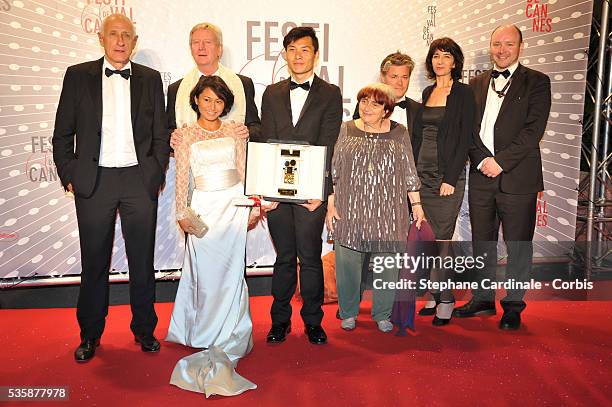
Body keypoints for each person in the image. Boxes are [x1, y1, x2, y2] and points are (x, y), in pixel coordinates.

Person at [52, 14, 169, 362]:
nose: (120, 41)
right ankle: (90, 334)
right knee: (95, 262)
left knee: (142, 260)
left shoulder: (149, 79)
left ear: (134, 41)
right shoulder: (77, 76)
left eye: (126, 36)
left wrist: (156, 172)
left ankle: (145, 330)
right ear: (101, 39)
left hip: (138, 179)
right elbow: (62, 133)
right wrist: (69, 172)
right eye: (114, 35)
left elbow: (160, 133)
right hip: (94, 180)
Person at [453, 25, 551, 330]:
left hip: (517, 178)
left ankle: (513, 305)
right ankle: (482, 297)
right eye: (497, 43)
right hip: (482, 175)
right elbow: (467, 128)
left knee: (518, 243)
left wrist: (501, 162)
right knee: (482, 241)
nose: (502, 49)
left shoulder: (537, 82)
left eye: (509, 44)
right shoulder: (476, 83)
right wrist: (482, 159)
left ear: (521, 46)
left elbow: (533, 131)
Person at [166, 76, 256, 397]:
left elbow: (244, 171)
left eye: (218, 101)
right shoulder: (185, 136)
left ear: (226, 104)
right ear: (196, 101)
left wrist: (252, 205)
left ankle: (232, 329)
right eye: (206, 100)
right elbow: (181, 179)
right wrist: (182, 213)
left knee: (232, 273)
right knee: (205, 273)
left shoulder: (236, 132)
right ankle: (204, 330)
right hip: (203, 206)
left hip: (233, 206)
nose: (212, 106)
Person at [253, 26, 343, 345]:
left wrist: (319, 193)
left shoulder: (330, 94)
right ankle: (279, 321)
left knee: (310, 256)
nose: (298, 55)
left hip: (309, 196)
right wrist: (267, 190)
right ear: (285, 54)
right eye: (291, 49)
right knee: (284, 258)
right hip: (278, 194)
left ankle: (314, 322)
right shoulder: (272, 93)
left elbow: (328, 145)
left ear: (315, 54)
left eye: (304, 49)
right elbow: (266, 141)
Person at [327, 83, 425, 332]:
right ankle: (348, 312)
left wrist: (417, 205)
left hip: (389, 212)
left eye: (375, 103)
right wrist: (330, 204)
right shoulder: (346, 129)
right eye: (363, 101)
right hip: (351, 209)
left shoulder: (399, 133)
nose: (367, 107)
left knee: (387, 266)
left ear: (387, 110)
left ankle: (382, 313)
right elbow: (333, 171)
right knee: (348, 265)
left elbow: (409, 172)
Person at [411, 38, 475, 325]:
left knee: (442, 242)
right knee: (426, 241)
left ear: (455, 62)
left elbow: (465, 138)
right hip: (421, 176)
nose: (440, 61)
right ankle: (435, 293)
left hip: (446, 178)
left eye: (446, 56)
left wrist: (451, 177)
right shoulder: (427, 91)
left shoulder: (463, 93)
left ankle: (447, 298)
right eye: (435, 56)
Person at [167, 22, 260, 138]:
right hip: (190, 155)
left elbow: (256, 128)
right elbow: (168, 130)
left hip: (231, 155)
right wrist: (173, 137)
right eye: (196, 42)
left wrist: (246, 132)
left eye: (207, 42)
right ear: (191, 49)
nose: (201, 47)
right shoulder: (176, 89)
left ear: (219, 49)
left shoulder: (243, 84)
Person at [353, 51, 420, 136]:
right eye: (394, 77)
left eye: (404, 77)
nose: (400, 83)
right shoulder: (366, 106)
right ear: (382, 77)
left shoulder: (418, 110)